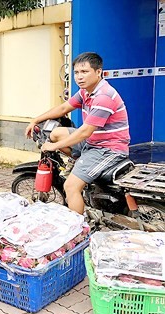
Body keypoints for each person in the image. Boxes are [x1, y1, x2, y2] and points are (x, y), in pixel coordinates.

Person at [24, 52, 130, 214]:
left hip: (108, 150)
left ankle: (78, 230)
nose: (79, 77)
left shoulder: (104, 96)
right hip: (93, 143)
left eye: (85, 72)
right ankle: (81, 166)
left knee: (70, 186)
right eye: (76, 72)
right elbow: (64, 108)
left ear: (98, 72)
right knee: (57, 133)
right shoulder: (85, 92)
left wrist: (54, 147)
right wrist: (35, 120)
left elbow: (85, 132)